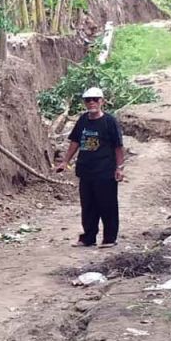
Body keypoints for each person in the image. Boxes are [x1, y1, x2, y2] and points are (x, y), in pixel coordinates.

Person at [55, 86, 125, 248]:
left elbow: (118, 146)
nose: (92, 102)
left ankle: (109, 238)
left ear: (102, 101)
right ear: (84, 103)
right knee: (88, 206)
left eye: (95, 99)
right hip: (86, 171)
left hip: (105, 171)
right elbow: (75, 142)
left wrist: (119, 168)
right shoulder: (83, 120)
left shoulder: (109, 122)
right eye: (88, 100)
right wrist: (65, 161)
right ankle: (88, 237)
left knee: (107, 205)